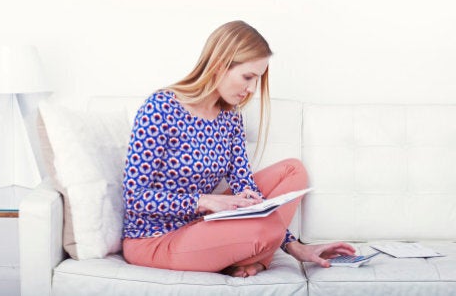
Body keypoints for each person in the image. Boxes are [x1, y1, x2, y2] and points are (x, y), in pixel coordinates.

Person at [122, 20, 355, 277]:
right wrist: (206, 201)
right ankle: (252, 257)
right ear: (219, 65)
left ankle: (245, 257)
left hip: (201, 228)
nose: (252, 90)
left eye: (258, 80)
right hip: (154, 240)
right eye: (248, 77)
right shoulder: (160, 107)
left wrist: (296, 247)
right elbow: (134, 197)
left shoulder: (230, 117)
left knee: (293, 171)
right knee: (264, 230)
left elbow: (247, 189)